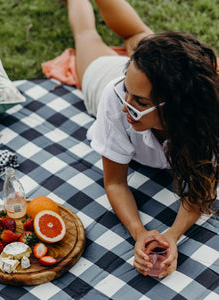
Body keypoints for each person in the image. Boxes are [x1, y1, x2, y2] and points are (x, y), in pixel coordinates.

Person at [65, 0, 219, 278]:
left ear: (176, 109)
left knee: (134, 34)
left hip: (148, 81)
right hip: (112, 78)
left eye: (137, 102)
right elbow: (114, 181)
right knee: (87, 36)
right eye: (127, 95)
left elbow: (201, 186)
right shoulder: (116, 99)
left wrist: (172, 235)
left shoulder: (208, 120)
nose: (126, 108)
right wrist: (139, 232)